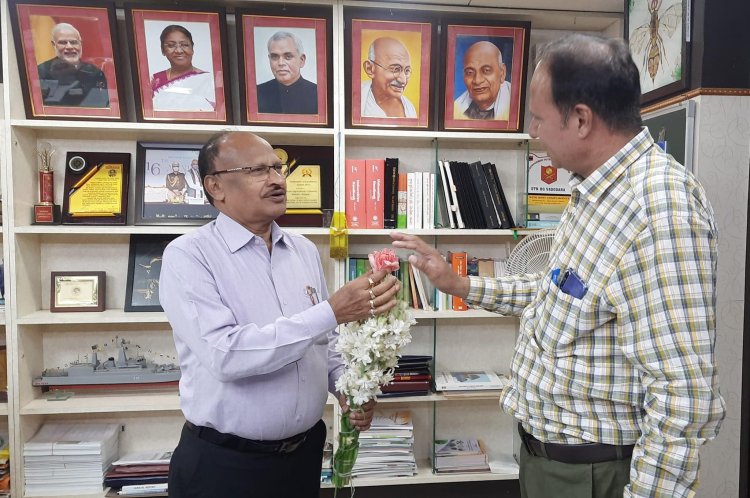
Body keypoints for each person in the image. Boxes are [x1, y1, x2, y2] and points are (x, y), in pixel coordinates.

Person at [392, 33, 725, 498]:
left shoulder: (659, 206)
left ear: (582, 119)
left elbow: (683, 397)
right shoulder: (591, 193)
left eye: (539, 118)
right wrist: (457, 282)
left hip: (595, 474)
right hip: (550, 463)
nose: (534, 132)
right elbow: (558, 292)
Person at [159, 131, 400, 497]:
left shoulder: (302, 250)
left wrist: (348, 388)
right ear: (215, 186)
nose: (276, 179)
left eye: (277, 167)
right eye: (257, 170)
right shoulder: (189, 256)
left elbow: (325, 344)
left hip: (302, 458)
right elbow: (226, 355)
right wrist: (332, 311)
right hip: (226, 465)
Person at [37, 23, 108, 107]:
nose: (69, 46)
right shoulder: (40, 72)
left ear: (80, 44)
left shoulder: (95, 73)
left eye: (74, 42)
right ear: (54, 45)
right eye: (63, 42)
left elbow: (103, 104)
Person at [151, 25, 215, 112]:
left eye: (184, 45)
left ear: (192, 48)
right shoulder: (155, 80)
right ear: (163, 50)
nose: (179, 51)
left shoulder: (209, 80)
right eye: (171, 45)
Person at [256, 31, 318, 114]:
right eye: (274, 57)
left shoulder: (318, 94)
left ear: (301, 60)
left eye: (288, 56)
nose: (281, 63)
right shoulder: (257, 93)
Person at [454, 40, 510, 120]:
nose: (477, 80)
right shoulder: (457, 108)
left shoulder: (514, 104)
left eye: (486, 70)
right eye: (470, 72)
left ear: (502, 73)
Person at [361, 37, 417, 118]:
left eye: (407, 71)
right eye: (395, 69)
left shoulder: (409, 109)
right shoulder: (356, 99)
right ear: (370, 69)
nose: (403, 81)